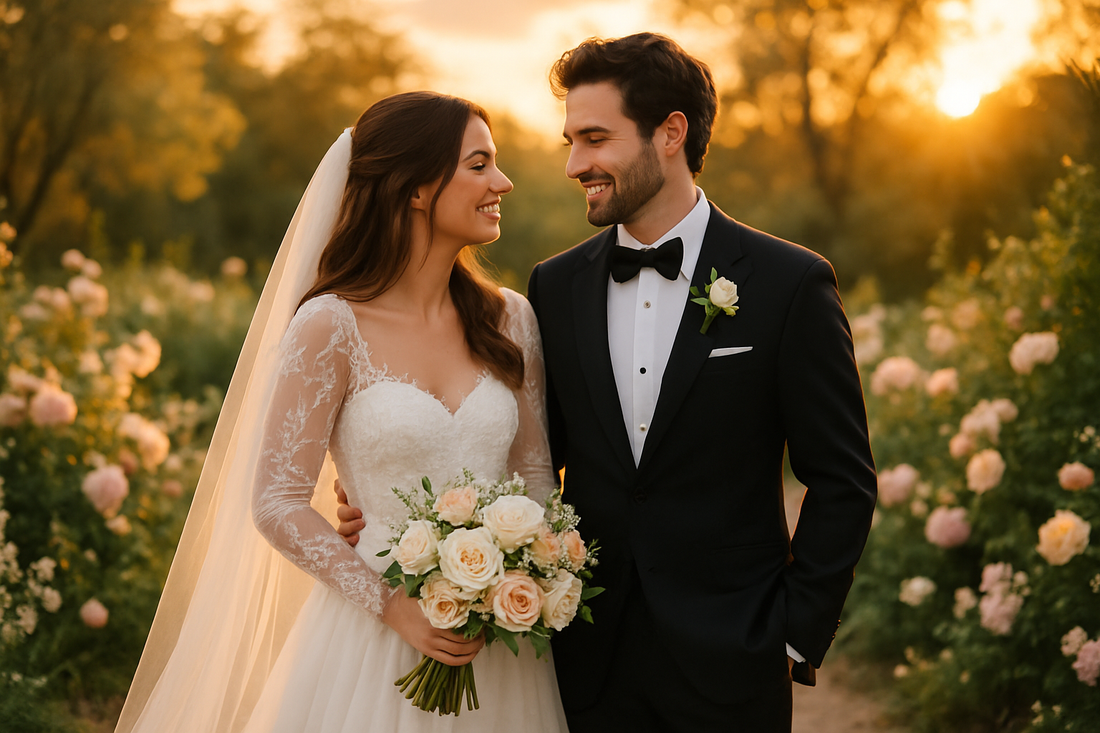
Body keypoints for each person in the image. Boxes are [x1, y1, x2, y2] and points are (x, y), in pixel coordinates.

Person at [341, 33, 877, 732]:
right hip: (581, 660)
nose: (574, 164)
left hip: (733, 660)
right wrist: (379, 499)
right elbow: (516, 460)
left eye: (594, 139)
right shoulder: (553, 289)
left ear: (670, 133)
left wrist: (794, 629)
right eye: (570, 140)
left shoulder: (788, 284)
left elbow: (843, 477)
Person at [114, 92, 568, 733]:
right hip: (378, 631)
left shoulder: (511, 318)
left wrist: (525, 579)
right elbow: (277, 501)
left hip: (501, 643)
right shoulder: (331, 324)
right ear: (415, 188)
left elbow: (534, 477)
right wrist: (393, 608)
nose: (503, 181)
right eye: (478, 165)